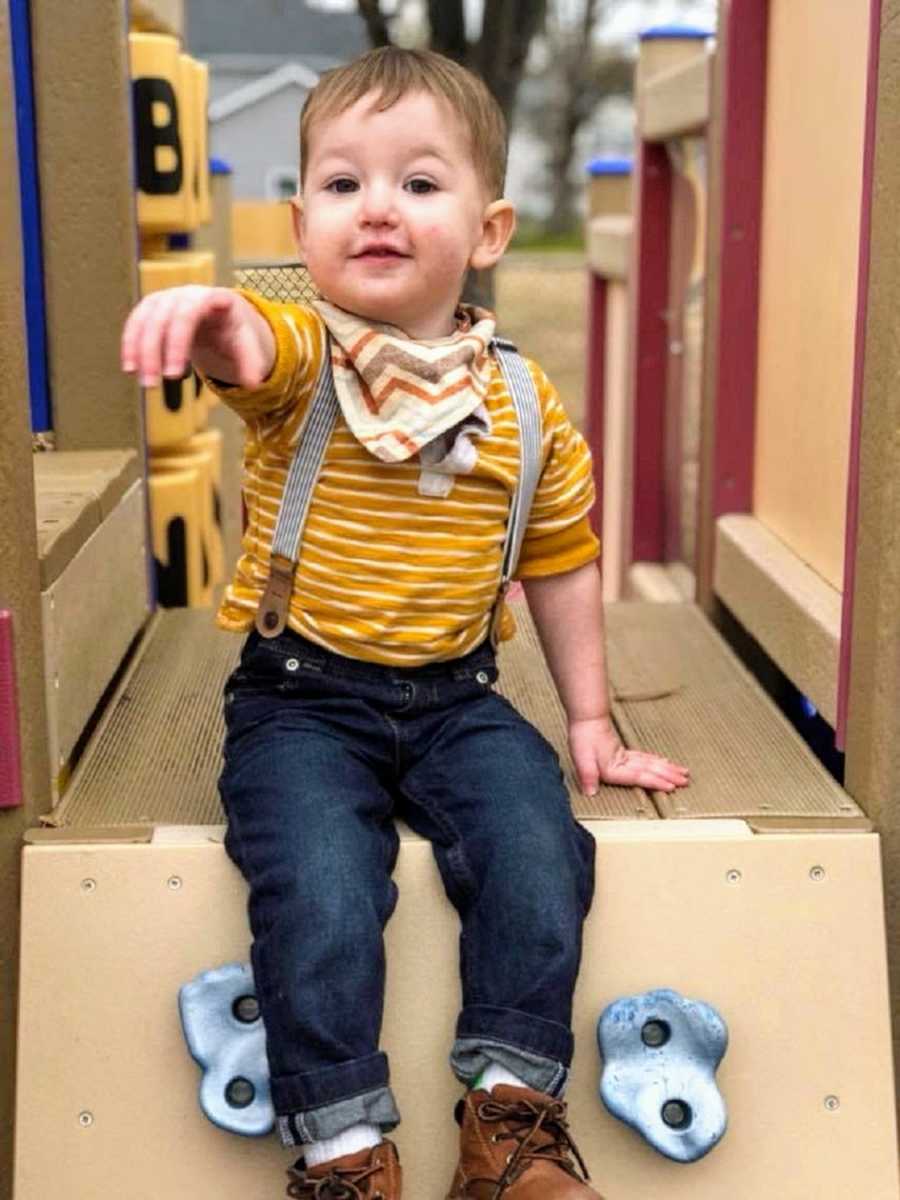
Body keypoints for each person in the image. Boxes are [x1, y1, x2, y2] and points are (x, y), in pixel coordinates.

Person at [121, 46, 688, 1200]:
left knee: (539, 851)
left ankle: (510, 1121)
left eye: (419, 184)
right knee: (320, 885)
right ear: (302, 220)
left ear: (487, 228)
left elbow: (563, 557)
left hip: (456, 699)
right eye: (342, 185)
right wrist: (215, 312)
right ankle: (341, 1149)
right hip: (301, 699)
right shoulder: (308, 361)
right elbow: (251, 347)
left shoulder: (523, 401)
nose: (377, 206)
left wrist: (589, 717)